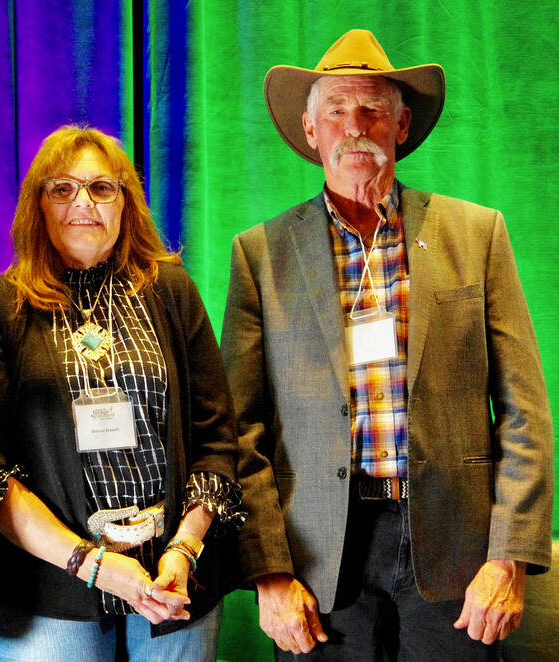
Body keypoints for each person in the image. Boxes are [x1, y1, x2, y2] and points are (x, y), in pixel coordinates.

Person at [220, 29, 553, 660]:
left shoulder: (478, 233)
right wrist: (266, 572)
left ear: (401, 126)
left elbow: (524, 414)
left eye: (373, 108)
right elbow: (240, 432)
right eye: (336, 111)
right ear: (310, 130)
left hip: (459, 558)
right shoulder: (260, 254)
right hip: (316, 564)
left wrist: (508, 557)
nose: (356, 125)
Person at [0, 125, 246, 662]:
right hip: (48, 589)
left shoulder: (172, 291)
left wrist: (185, 549)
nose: (82, 203)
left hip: (174, 580)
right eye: (61, 189)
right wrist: (93, 565)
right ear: (36, 206)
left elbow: (217, 437)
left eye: (101, 189)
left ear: (125, 204)